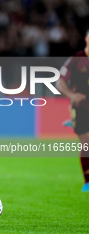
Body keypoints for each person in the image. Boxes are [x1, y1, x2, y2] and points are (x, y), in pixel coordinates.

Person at [56, 29, 89, 192]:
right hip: (81, 107)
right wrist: (71, 95)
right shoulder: (76, 59)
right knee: (87, 142)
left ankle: (73, 124)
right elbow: (60, 81)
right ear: (86, 39)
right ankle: (88, 181)